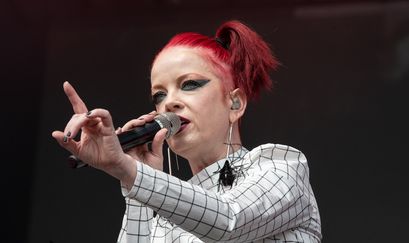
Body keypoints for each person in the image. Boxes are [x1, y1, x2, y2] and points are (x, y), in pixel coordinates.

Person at [52, 20, 322, 242]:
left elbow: (229, 220)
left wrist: (135, 176)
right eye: (159, 95)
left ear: (235, 102)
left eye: (190, 84)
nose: (169, 102)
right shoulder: (165, 220)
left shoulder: (281, 167)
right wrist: (135, 176)